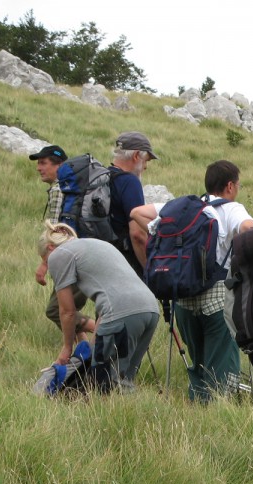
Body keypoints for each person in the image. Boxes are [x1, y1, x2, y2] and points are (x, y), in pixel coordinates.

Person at [132, 161, 253, 402]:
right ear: (230, 186)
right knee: (220, 363)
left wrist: (157, 232)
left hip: (183, 297)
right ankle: (219, 413)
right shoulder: (232, 209)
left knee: (198, 360)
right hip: (217, 298)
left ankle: (196, 407)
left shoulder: (184, 207)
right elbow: (249, 229)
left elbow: (136, 212)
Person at [37, 221, 159, 392]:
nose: (49, 267)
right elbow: (110, 292)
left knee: (104, 387)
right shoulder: (98, 245)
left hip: (121, 312)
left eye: (46, 262)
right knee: (124, 381)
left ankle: (114, 417)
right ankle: (138, 417)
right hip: (150, 309)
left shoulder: (59, 255)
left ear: (50, 248)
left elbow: (67, 311)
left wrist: (67, 348)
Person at [29, 144, 95, 340]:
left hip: (72, 259)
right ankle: (84, 353)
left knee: (56, 310)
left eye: (43, 163)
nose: (39, 168)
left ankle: (106, 332)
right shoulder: (70, 189)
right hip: (85, 255)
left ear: (59, 166)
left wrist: (44, 263)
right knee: (66, 310)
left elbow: (58, 233)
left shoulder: (59, 190)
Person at [110, 131, 158, 276]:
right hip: (123, 262)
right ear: (137, 156)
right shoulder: (130, 182)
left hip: (102, 257)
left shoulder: (104, 176)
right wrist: (148, 270)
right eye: (146, 161)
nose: (146, 167)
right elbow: (137, 234)